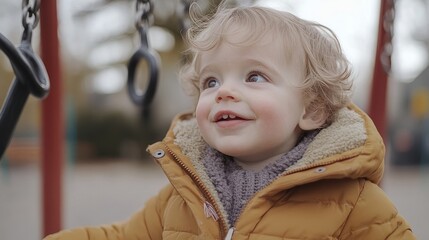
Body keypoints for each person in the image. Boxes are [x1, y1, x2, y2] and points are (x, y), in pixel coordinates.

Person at [44, 3, 416, 240]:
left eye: (254, 77)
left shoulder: (353, 203)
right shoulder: (184, 194)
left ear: (312, 109)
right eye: (211, 81)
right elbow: (124, 236)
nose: (224, 92)